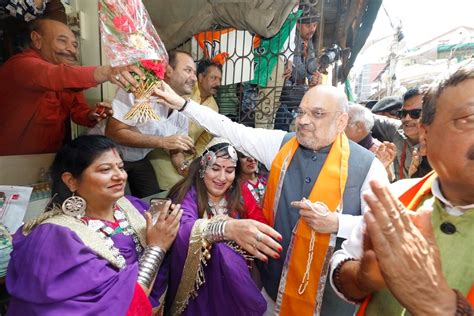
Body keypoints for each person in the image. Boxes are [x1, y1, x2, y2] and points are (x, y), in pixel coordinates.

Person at [154, 83, 388, 315]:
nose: (304, 120)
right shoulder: (282, 146)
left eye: (317, 114)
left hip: (327, 303)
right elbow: (231, 130)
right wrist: (183, 105)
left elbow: (384, 228)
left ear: (341, 121)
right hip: (272, 290)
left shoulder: (369, 167)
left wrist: (337, 223)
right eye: (301, 112)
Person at [330, 66, 474, 315]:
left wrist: (442, 307)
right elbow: (342, 266)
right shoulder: (397, 197)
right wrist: (362, 278)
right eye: (469, 119)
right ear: (426, 137)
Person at [6, 135, 182, 315]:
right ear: (71, 181)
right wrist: (156, 248)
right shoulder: (56, 237)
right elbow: (115, 306)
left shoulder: (133, 206)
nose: (120, 176)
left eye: (121, 167)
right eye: (105, 169)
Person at [163, 140, 280, 315]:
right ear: (203, 167)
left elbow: (259, 222)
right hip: (199, 286)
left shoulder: (237, 194)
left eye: (230, 171)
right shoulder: (186, 194)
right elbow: (183, 229)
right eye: (215, 169)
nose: (222, 177)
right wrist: (225, 229)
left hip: (235, 281)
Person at [0, 19, 141, 156]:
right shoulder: (20, 65)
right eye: (62, 41)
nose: (71, 49)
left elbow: (78, 111)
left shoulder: (67, 78)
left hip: (50, 155)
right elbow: (56, 76)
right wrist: (107, 72)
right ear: (37, 39)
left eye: (74, 45)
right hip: (12, 158)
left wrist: (92, 114)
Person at [105, 50, 195, 198]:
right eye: (188, 70)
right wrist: (162, 141)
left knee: (152, 202)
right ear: (168, 70)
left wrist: (187, 169)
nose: (194, 78)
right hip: (109, 156)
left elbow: (175, 152)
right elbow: (113, 132)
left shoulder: (182, 114)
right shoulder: (138, 89)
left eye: (194, 72)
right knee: (115, 205)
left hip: (139, 159)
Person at [153, 59, 223, 189]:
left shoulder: (214, 108)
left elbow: (204, 140)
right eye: (213, 78)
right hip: (161, 150)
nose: (217, 83)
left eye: (219, 79)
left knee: (194, 181)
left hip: (186, 156)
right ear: (201, 77)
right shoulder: (185, 90)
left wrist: (196, 161)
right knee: (176, 184)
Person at [275, 4, 321, 131]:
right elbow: (298, 69)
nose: (312, 29)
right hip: (285, 90)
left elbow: (310, 69)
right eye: (308, 25)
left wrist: (313, 78)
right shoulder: (290, 41)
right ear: (298, 25)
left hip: (298, 90)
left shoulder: (309, 42)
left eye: (314, 25)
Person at [372, 87, 432, 180]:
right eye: (403, 113)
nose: (407, 118)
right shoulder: (396, 130)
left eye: (416, 113)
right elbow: (364, 117)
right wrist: (385, 170)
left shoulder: (441, 147)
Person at [346, 103, 396, 180]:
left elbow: (389, 182)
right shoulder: (340, 146)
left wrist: (383, 169)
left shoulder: (381, 152)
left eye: (344, 122)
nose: (339, 126)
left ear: (359, 126)